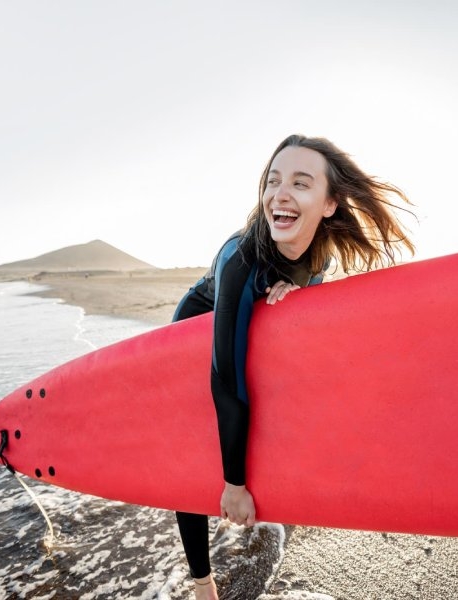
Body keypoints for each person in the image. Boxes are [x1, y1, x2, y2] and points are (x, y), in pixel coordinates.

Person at [171, 134, 414, 599]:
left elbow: (310, 275)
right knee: (197, 451)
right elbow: (226, 381)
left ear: (329, 204)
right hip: (196, 326)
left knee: (262, 416)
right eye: (273, 180)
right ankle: (204, 585)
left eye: (301, 184)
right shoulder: (239, 258)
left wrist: (297, 291)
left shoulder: (322, 251)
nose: (280, 194)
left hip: (250, 325)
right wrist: (234, 485)